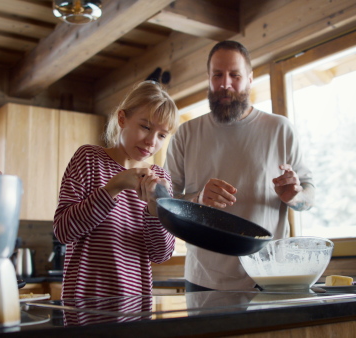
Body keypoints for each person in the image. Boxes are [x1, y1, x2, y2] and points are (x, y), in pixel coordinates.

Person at [164, 40, 315, 292]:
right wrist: (198, 198)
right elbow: (167, 204)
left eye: (235, 75)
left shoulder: (280, 129)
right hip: (204, 279)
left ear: (250, 79)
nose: (225, 84)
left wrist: (295, 195)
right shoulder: (185, 134)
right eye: (217, 75)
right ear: (208, 78)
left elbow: (310, 197)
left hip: (269, 276)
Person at [54, 80, 178, 298]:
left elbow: (162, 254)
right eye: (145, 126)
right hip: (85, 305)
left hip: (135, 307)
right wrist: (113, 187)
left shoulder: (161, 179)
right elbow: (64, 232)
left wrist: (154, 208)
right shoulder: (89, 159)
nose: (151, 141)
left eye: (162, 135)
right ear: (122, 118)